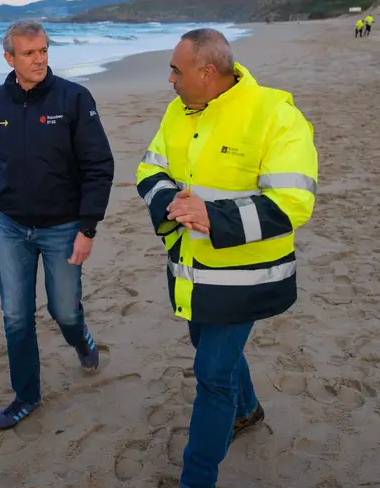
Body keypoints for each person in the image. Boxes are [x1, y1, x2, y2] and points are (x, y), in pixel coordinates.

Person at [135, 28, 318, 488]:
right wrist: (169, 203)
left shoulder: (275, 113)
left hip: (245, 278)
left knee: (212, 374)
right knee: (212, 353)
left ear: (207, 72)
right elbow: (150, 166)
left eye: (176, 71)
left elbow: (294, 202)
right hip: (190, 272)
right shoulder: (178, 111)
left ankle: (196, 479)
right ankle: (249, 409)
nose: (170, 80)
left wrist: (212, 217)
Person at [0, 20, 115, 431]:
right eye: (29, 53)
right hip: (12, 226)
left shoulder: (74, 98)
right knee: (15, 316)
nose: (39, 59)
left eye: (43, 50)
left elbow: (99, 166)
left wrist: (88, 228)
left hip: (63, 227)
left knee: (64, 311)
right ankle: (26, 396)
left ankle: (80, 338)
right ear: (9, 58)